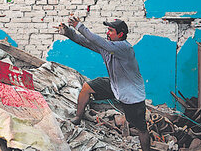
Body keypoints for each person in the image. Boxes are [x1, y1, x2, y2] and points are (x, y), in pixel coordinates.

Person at [57, 16, 150, 151]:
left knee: (141, 128)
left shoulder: (125, 48)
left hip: (131, 94)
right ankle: (78, 117)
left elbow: (95, 39)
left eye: (111, 31)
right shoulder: (108, 47)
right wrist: (68, 32)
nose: (107, 33)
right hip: (115, 85)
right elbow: (85, 42)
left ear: (120, 34)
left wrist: (79, 26)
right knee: (86, 88)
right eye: (108, 30)